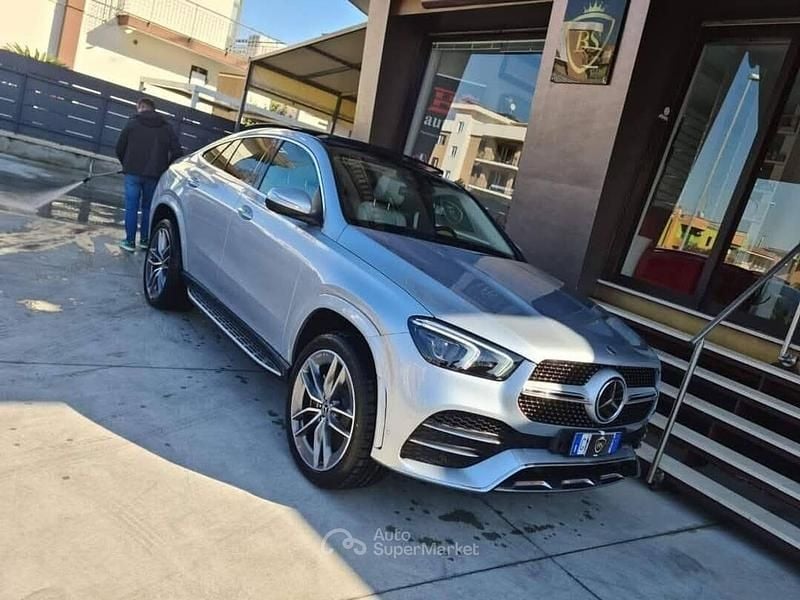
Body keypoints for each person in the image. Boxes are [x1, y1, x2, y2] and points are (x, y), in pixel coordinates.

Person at [115, 98, 182, 252]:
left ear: (141, 107)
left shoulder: (132, 123)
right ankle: (145, 240)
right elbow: (177, 151)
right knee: (148, 208)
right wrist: (165, 167)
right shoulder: (166, 127)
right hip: (154, 174)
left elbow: (119, 147)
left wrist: (126, 164)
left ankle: (130, 242)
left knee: (131, 207)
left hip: (132, 173)